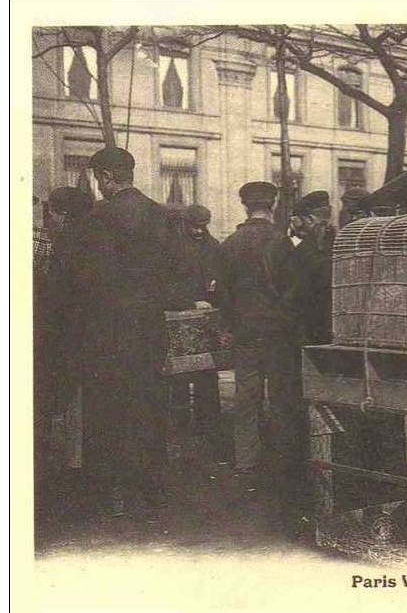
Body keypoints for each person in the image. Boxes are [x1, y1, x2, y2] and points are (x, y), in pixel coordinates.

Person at [82, 146, 194, 517]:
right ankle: (153, 488)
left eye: (99, 179)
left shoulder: (100, 216)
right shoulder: (161, 214)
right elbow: (180, 275)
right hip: (150, 327)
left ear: (106, 178)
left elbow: (97, 279)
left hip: (110, 329)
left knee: (110, 408)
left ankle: (114, 491)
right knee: (149, 405)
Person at [219, 182, 304, 506]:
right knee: (281, 395)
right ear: (272, 205)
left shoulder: (230, 244)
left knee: (247, 396)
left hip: (245, 331)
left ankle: (246, 461)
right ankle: (283, 460)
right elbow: (295, 288)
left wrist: (231, 323)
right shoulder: (282, 242)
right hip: (278, 331)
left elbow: (223, 293)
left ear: (245, 206)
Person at [43, 187, 95, 470]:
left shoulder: (64, 243)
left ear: (62, 213)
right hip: (94, 331)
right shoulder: (96, 239)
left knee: (72, 397)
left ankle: (75, 462)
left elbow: (57, 295)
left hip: (70, 332)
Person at [170, 204, 227, 457]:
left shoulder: (213, 246)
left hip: (206, 321)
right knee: (178, 378)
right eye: (194, 226)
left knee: (207, 375)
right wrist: (189, 302)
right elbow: (164, 285)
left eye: (203, 226)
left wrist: (216, 293)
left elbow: (222, 279)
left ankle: (210, 429)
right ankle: (179, 429)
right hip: (179, 319)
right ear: (184, 223)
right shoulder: (171, 247)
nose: (199, 231)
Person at [292, 190, 336, 345]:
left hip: (310, 330)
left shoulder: (301, 251)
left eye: (298, 222)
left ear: (310, 219)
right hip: (338, 327)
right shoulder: (343, 241)